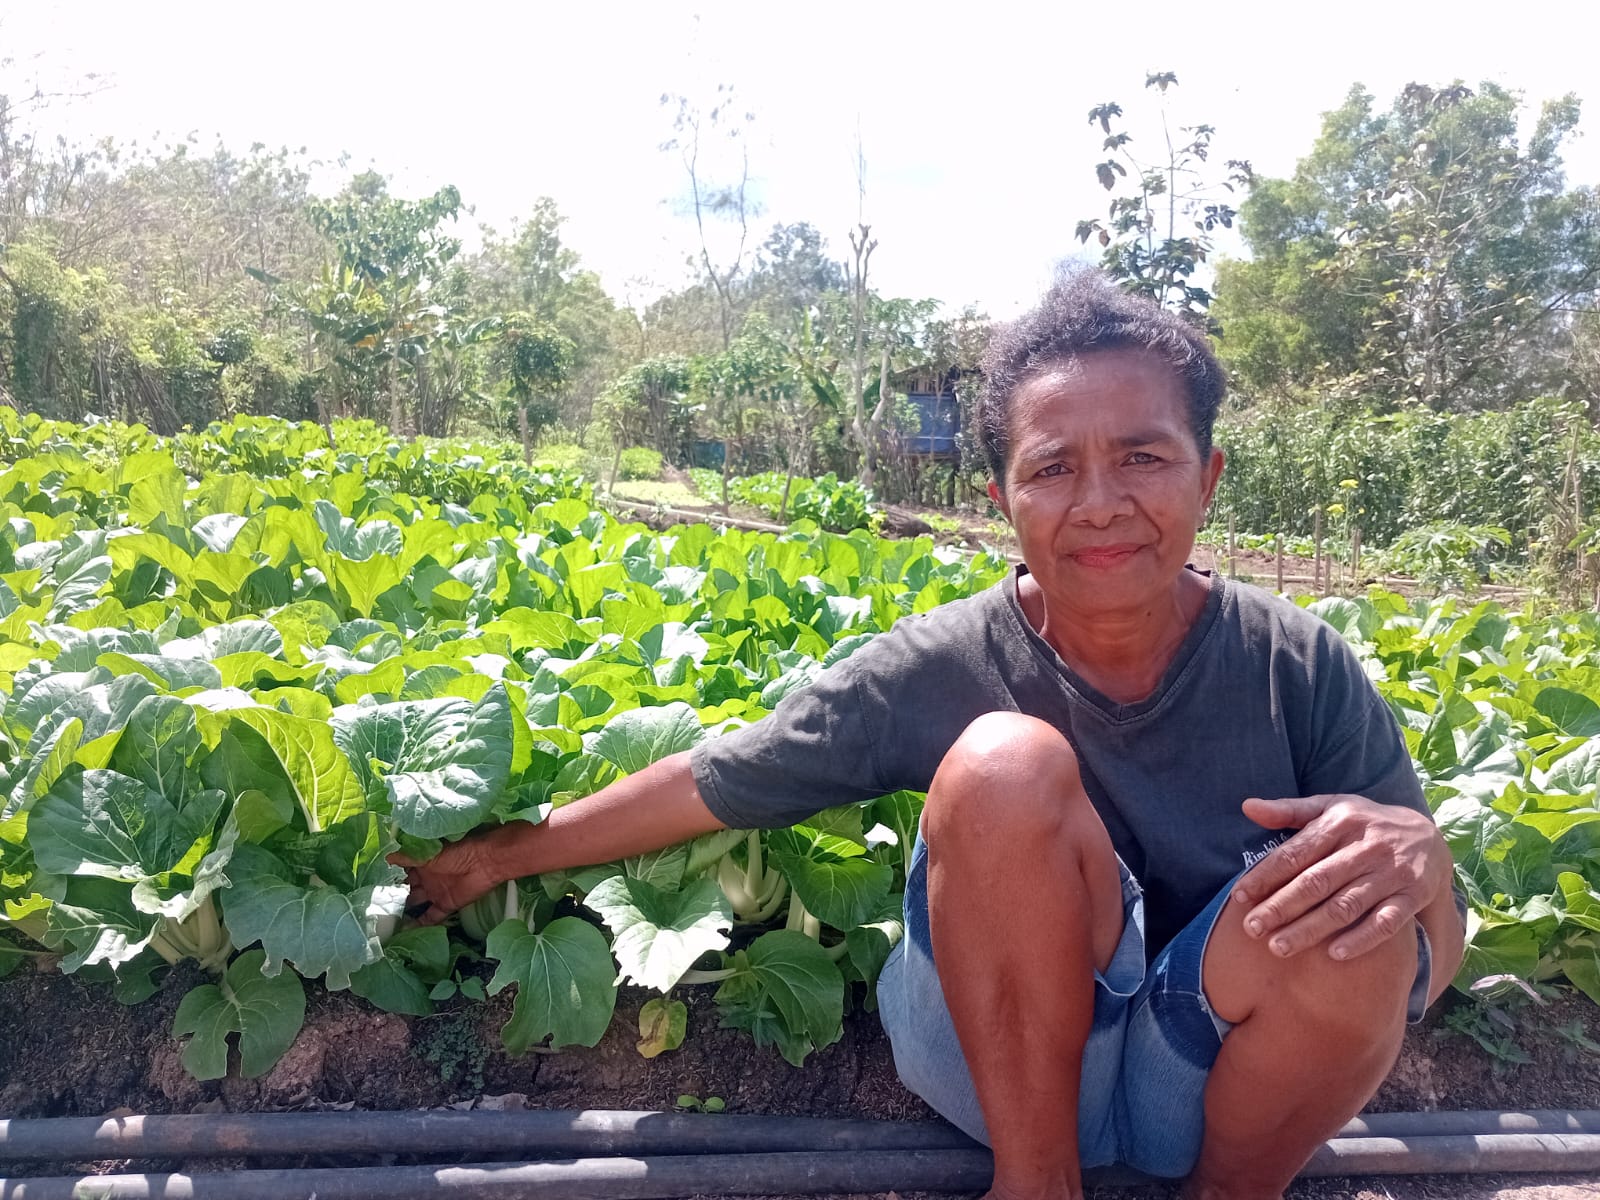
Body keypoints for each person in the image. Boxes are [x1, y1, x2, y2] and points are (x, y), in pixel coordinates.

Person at [398, 269, 1465, 1200]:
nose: (1099, 503)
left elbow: (1432, 956)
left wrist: (1423, 868)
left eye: (1143, 457)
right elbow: (726, 779)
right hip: (1003, 1071)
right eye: (1051, 468)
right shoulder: (945, 662)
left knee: (1355, 893)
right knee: (1006, 764)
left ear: (1207, 476)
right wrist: (498, 854)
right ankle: (1034, 1186)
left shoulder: (1298, 663)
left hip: (1212, 1080)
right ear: (1002, 497)